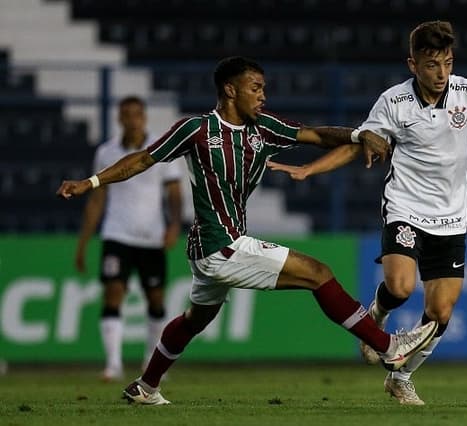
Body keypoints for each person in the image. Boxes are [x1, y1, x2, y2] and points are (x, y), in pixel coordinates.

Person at [57, 56, 439, 405]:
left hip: (213, 248)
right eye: (255, 88)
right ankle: (388, 347)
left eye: (263, 88)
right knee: (317, 273)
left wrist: (358, 135)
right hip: (218, 244)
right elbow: (144, 158)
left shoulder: (264, 128)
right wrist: (91, 182)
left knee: (196, 319)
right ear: (230, 90)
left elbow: (315, 135)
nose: (262, 95)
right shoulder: (195, 129)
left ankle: (146, 386)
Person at [268, 20, 467, 405]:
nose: (442, 73)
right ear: (412, 65)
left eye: (447, 63)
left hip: (452, 217)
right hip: (406, 207)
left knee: (440, 311)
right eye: (432, 65)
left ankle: (402, 378)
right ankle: (378, 312)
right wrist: (308, 169)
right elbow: (360, 143)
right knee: (400, 287)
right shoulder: (393, 102)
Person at [74, 95, 183, 382]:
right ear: (119, 118)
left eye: (137, 114)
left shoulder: (161, 150)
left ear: (144, 117)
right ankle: (113, 364)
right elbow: (97, 199)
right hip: (116, 234)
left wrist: (174, 226)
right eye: (127, 114)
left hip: (151, 236)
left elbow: (174, 193)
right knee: (113, 294)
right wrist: (84, 242)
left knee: (156, 299)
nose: (132, 119)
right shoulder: (106, 152)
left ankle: (151, 359)